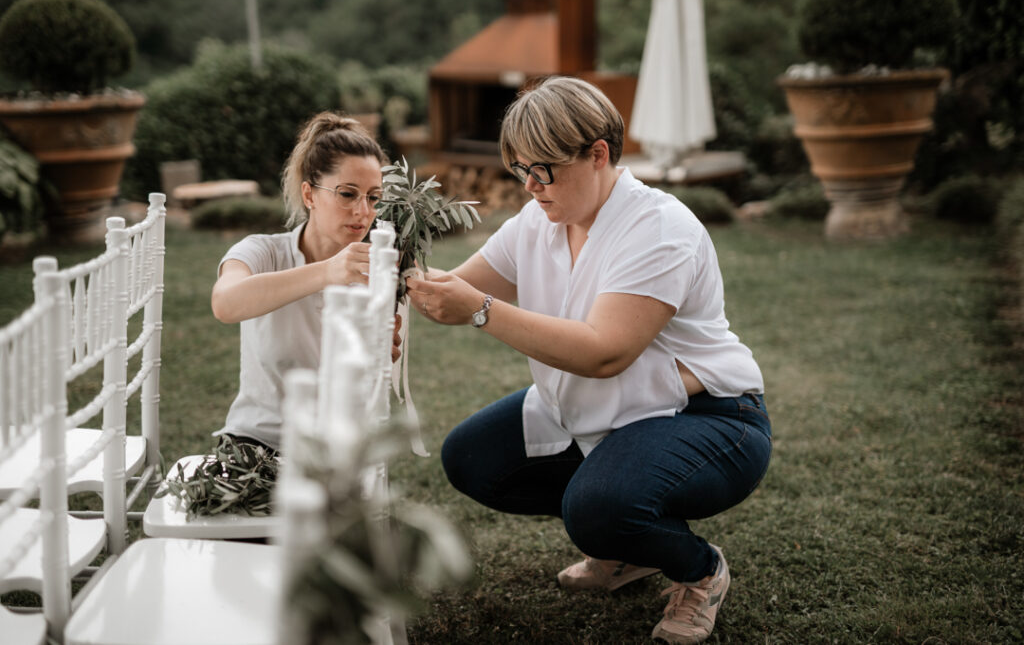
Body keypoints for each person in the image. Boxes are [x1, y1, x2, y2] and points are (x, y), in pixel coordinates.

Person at [405, 77, 771, 644]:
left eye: (542, 170)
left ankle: (698, 570)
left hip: (711, 416)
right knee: (470, 457)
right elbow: (454, 289)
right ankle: (629, 549)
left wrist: (480, 310)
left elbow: (605, 352)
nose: (529, 187)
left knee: (596, 507)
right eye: (520, 170)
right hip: (595, 408)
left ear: (597, 154)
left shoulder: (657, 227)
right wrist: (391, 268)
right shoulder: (539, 218)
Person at [211, 112, 400, 454]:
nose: (363, 212)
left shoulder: (378, 270)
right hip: (254, 445)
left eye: (373, 197)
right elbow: (225, 304)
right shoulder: (261, 251)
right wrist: (328, 271)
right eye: (347, 194)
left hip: (336, 452)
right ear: (309, 195)